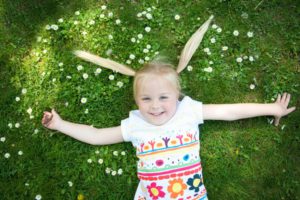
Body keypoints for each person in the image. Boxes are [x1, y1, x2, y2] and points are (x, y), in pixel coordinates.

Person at [41, 16, 296, 200]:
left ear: (178, 95)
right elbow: (97, 136)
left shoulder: (189, 111)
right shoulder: (135, 124)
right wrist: (60, 125)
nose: (155, 106)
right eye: (146, 99)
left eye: (163, 97)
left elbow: (229, 111)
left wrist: (271, 108)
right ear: (136, 101)